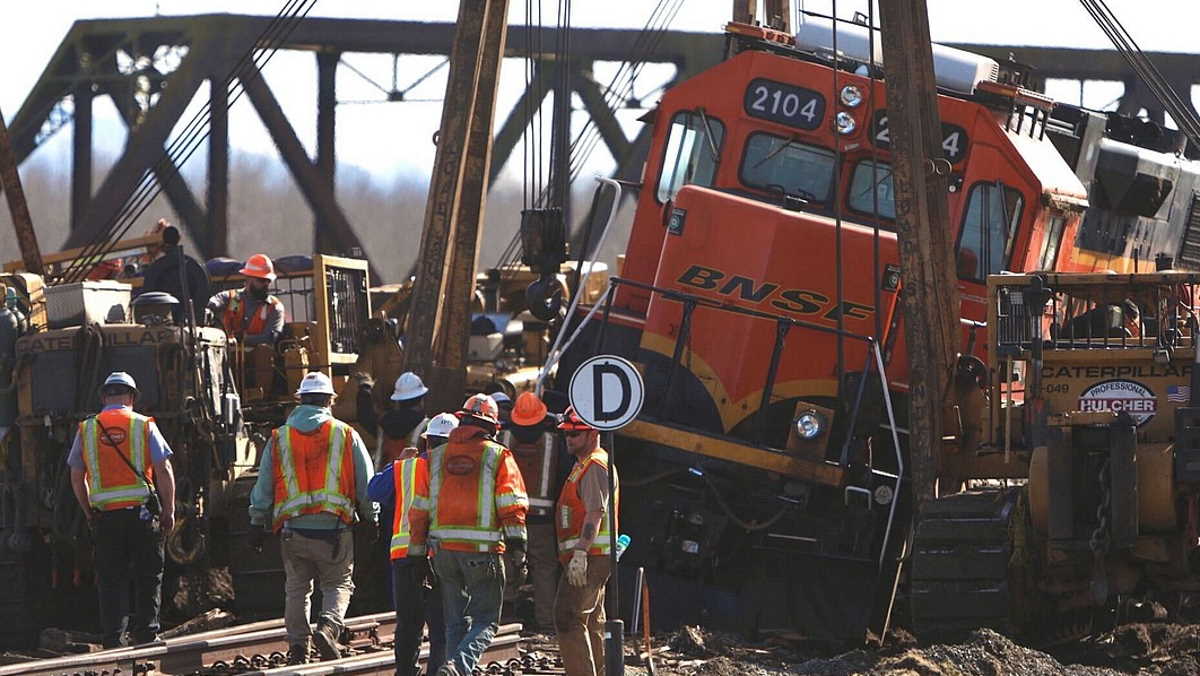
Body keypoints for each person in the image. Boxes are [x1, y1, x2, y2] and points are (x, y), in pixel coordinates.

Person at [248, 371, 378, 665]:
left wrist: (257, 521)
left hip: (293, 530)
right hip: (334, 530)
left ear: (300, 400)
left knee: (296, 589)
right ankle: (329, 627)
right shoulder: (346, 434)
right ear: (330, 400)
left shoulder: (280, 437)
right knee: (338, 584)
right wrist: (372, 518)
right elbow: (365, 483)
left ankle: (298, 649)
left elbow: (264, 484)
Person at [409, 394, 529, 676]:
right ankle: (458, 668)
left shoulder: (436, 457)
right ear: (492, 426)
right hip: (482, 551)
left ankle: (452, 669)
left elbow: (419, 510)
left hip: (443, 552)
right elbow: (511, 505)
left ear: (461, 420)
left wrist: (416, 555)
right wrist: (518, 550)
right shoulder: (498, 455)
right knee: (486, 621)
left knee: (455, 623)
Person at [67, 372, 177, 649]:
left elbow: (76, 475)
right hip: (142, 516)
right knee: (148, 575)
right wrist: (169, 510)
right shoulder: (144, 425)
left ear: (104, 397)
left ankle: (113, 638)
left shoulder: (87, 429)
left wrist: (88, 510)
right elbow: (164, 470)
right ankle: (146, 634)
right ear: (131, 397)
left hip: (105, 518)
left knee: (110, 579)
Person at [367, 413, 458, 676]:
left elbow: (374, 491)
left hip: (404, 555)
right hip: (440, 555)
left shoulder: (406, 467)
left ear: (427, 442)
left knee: (408, 623)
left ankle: (405, 672)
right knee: (441, 626)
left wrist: (400, 462)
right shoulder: (462, 469)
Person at [554, 407, 620, 676]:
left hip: (590, 557)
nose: (569, 438)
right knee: (591, 620)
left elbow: (595, 512)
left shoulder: (594, 466)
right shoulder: (585, 463)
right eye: (567, 433)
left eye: (575, 433)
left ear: (593, 433)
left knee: (568, 616)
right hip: (593, 556)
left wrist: (580, 552)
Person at [499, 392, 560, 632]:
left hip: (509, 515)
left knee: (506, 565)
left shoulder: (503, 438)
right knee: (544, 569)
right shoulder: (554, 441)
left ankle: (505, 620)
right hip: (542, 520)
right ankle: (546, 622)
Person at [207, 253, 285, 346]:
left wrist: (242, 339)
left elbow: (270, 338)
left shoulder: (274, 307)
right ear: (248, 278)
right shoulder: (234, 299)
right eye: (261, 280)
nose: (265, 285)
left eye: (268, 281)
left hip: (259, 358)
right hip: (229, 356)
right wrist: (208, 310)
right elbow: (213, 303)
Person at [360, 372, 430, 468]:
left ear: (398, 400)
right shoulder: (427, 428)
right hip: (412, 482)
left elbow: (365, 417)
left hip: (383, 481)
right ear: (421, 399)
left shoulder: (383, 424)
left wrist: (364, 388)